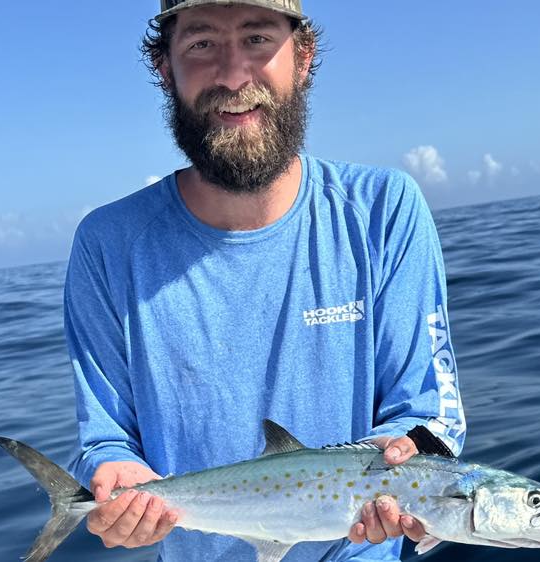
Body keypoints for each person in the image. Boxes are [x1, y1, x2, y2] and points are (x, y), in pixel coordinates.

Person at [64, 0, 466, 560]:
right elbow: (105, 439)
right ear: (164, 66)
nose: (233, 75)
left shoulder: (383, 210)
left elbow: (431, 417)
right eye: (202, 44)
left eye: (257, 39)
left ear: (303, 57)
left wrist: (416, 465)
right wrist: (112, 477)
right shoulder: (107, 243)